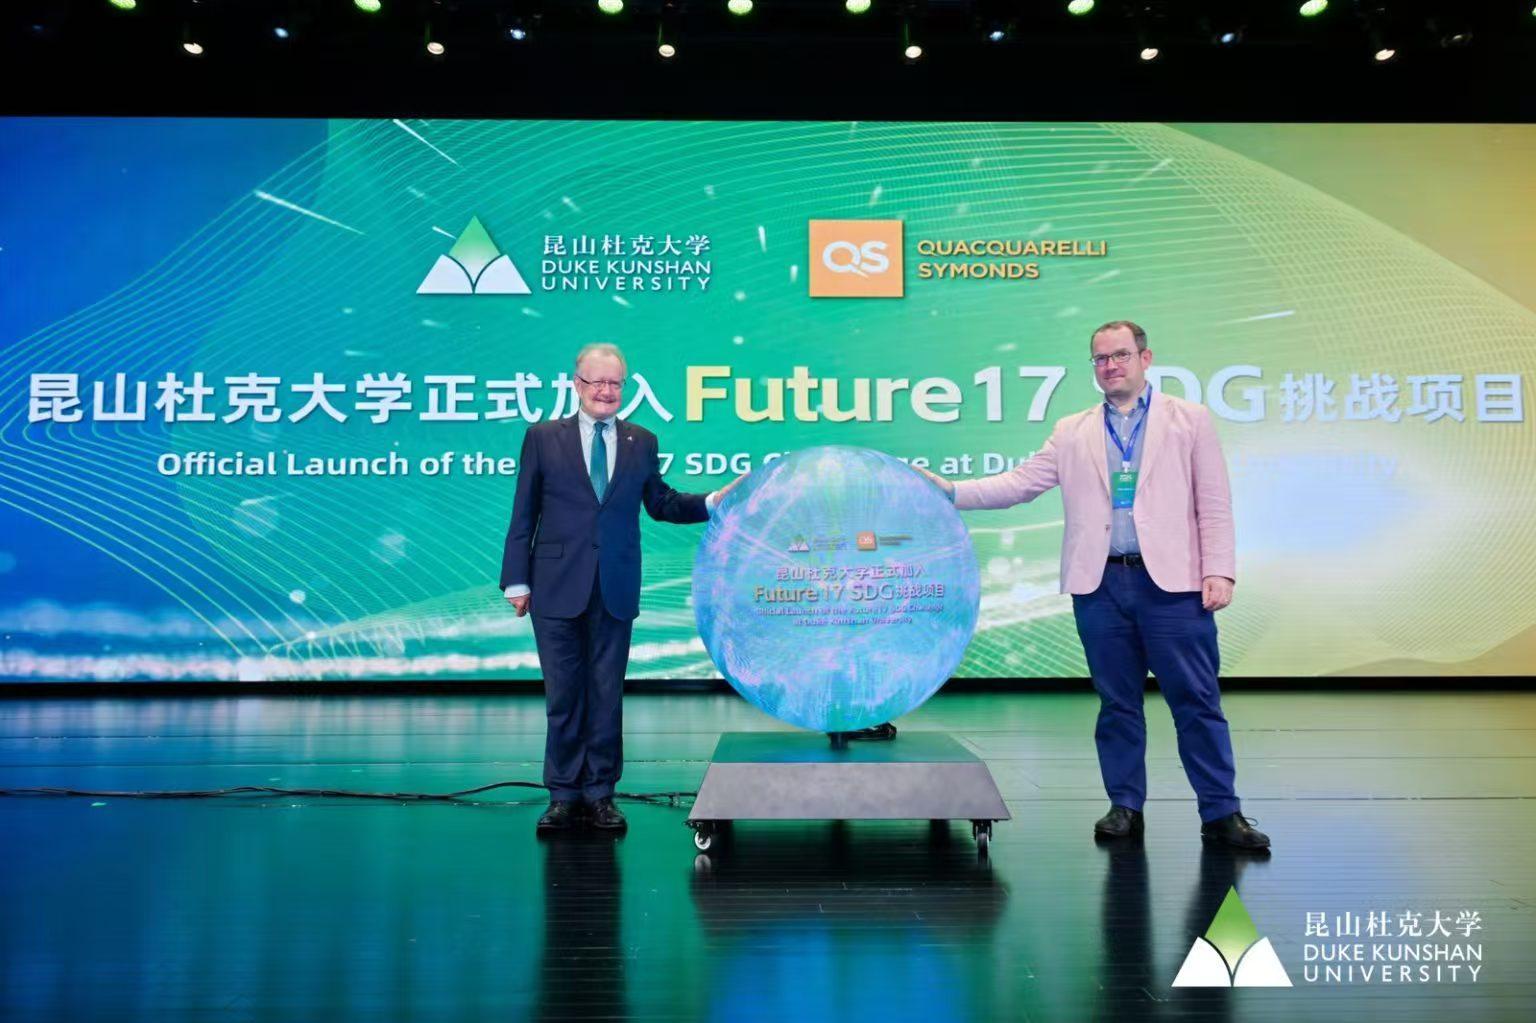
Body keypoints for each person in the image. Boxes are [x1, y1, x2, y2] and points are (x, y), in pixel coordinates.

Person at [918, 321, 1269, 851]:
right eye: (1101, 359)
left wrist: (1218, 570)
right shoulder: (1072, 430)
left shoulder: (1190, 419)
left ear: (1146, 358)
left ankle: (1221, 812)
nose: (1111, 366)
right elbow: (1020, 484)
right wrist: (949, 491)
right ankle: (1125, 806)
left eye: (1120, 355)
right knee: (1117, 704)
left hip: (1173, 587)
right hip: (1101, 584)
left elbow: (1214, 503)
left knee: (1196, 701)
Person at [501, 343, 741, 834]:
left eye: (615, 383)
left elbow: (661, 502)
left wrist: (714, 501)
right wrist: (516, 579)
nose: (607, 392)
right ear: (577, 385)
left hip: (614, 584)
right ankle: (563, 795)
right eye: (598, 382)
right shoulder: (543, 438)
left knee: (606, 694)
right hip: (555, 584)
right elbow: (524, 511)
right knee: (564, 696)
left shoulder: (641, 441)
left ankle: (600, 794)